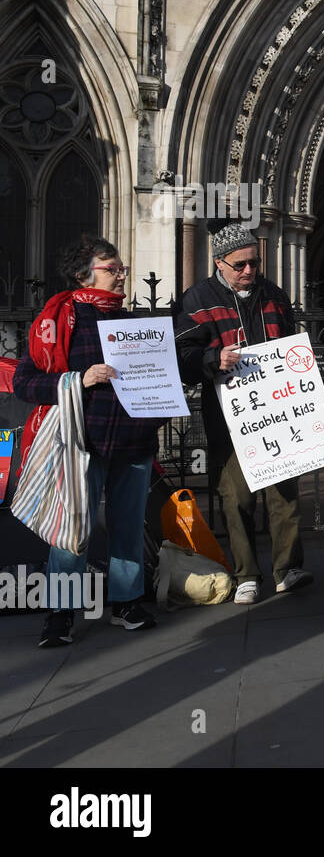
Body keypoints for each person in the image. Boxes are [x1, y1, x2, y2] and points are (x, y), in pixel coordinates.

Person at [15, 234, 163, 646]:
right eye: (111, 268)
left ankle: (127, 602)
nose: (120, 276)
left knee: (128, 528)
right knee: (71, 530)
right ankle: (61, 613)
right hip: (82, 442)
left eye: (121, 269)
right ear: (84, 274)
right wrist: (80, 379)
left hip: (133, 440)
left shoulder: (135, 323)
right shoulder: (61, 319)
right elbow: (26, 384)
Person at [174, 219, 311, 605]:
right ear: (219, 262)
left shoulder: (275, 295)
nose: (249, 271)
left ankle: (288, 569)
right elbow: (183, 356)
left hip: (279, 409)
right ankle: (247, 573)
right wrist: (212, 358)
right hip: (228, 413)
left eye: (254, 262)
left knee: (284, 491)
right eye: (240, 265)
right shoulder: (197, 299)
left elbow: (291, 344)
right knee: (236, 495)